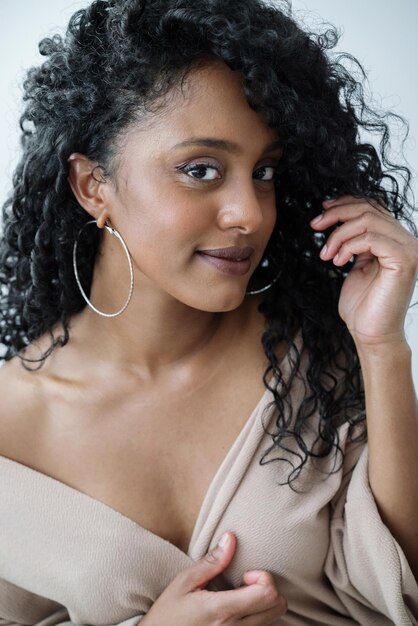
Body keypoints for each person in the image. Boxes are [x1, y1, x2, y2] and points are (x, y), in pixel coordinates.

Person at [0, 0, 417, 624]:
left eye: (265, 171)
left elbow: (405, 585)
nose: (249, 213)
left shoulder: (319, 358)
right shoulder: (11, 426)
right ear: (94, 187)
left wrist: (383, 348)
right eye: (201, 169)